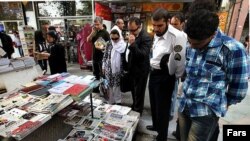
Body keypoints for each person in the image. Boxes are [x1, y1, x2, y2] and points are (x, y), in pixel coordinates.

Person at [178, 9, 248, 141]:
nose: (192, 46)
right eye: (190, 41)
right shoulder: (191, 43)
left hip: (206, 112)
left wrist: (221, 104)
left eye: (197, 44)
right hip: (184, 105)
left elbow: (239, 88)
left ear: (212, 34)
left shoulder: (232, 49)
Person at [147, 8, 186, 141]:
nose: (156, 29)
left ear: (168, 22)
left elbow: (180, 60)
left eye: (160, 25)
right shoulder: (157, 33)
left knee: (162, 108)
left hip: (165, 75)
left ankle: (161, 136)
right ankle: (156, 125)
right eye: (154, 25)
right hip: (153, 72)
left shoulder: (177, 36)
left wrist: (174, 76)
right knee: (154, 103)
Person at [126, 17, 152, 115]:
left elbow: (142, 54)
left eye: (133, 30)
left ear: (139, 26)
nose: (131, 32)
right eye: (129, 29)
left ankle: (137, 111)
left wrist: (132, 44)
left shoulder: (146, 37)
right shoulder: (134, 35)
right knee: (134, 90)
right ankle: (135, 106)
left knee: (139, 92)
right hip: (133, 69)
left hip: (141, 70)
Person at [169, 12, 187, 141]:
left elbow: (180, 58)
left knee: (175, 94)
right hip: (170, 69)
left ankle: (170, 114)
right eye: (172, 24)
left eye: (176, 24)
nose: (173, 26)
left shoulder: (183, 37)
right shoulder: (170, 35)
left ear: (182, 24)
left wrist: (178, 73)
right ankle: (178, 131)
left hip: (179, 72)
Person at [102, 29, 126, 104]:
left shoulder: (123, 45)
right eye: (112, 38)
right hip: (108, 68)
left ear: (119, 36)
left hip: (119, 69)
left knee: (117, 86)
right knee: (109, 85)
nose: (114, 40)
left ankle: (118, 101)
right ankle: (110, 101)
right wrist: (103, 66)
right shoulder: (109, 44)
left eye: (116, 38)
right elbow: (105, 56)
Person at [87, 16, 110, 93]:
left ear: (101, 24)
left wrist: (103, 48)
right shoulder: (94, 32)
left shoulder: (106, 33)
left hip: (102, 57)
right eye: (95, 24)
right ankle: (96, 88)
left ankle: (104, 90)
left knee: (103, 75)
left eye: (98, 24)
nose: (96, 26)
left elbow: (109, 45)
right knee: (95, 74)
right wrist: (92, 33)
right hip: (95, 56)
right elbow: (88, 40)